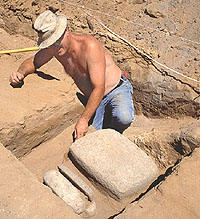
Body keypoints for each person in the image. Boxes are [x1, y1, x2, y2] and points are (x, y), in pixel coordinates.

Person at [10, 10, 134, 140]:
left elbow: (99, 87)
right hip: (93, 97)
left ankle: (115, 136)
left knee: (123, 117)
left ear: (66, 31)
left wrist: (84, 120)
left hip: (115, 89)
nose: (55, 47)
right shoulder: (54, 49)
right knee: (89, 139)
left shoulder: (89, 46)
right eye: (50, 44)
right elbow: (34, 62)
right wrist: (20, 73)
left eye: (56, 41)